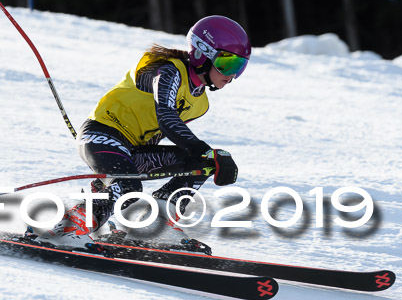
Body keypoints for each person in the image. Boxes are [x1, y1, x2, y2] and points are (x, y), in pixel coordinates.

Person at [39, 15, 251, 250]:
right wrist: (207, 149)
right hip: (102, 135)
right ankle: (66, 230)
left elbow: (175, 134)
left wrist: (211, 156)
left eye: (239, 67)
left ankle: (157, 221)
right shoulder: (169, 71)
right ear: (203, 53)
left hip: (132, 151)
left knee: (203, 162)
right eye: (228, 64)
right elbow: (167, 118)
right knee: (128, 188)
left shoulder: (200, 102)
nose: (232, 75)